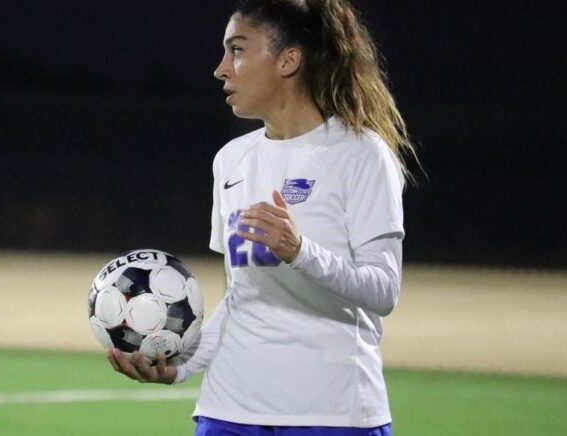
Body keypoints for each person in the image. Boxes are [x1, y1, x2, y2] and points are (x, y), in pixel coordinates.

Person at [107, 1, 419, 434]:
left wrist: (300, 252)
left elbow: (383, 291)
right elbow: (241, 299)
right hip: (228, 412)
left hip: (332, 413)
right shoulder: (231, 160)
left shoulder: (361, 153)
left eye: (237, 50)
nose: (220, 69)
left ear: (288, 61)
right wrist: (182, 366)